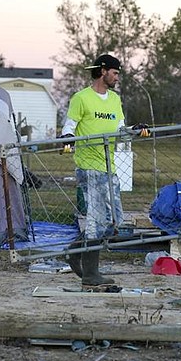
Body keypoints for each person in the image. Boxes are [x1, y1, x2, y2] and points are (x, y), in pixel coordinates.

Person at [60, 54, 126, 286]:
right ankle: (91, 274)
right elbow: (69, 125)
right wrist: (68, 137)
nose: (117, 77)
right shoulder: (82, 98)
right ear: (103, 71)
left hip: (109, 168)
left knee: (115, 221)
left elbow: (120, 127)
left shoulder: (115, 100)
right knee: (96, 222)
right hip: (89, 168)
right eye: (115, 73)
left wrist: (134, 129)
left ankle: (73, 250)